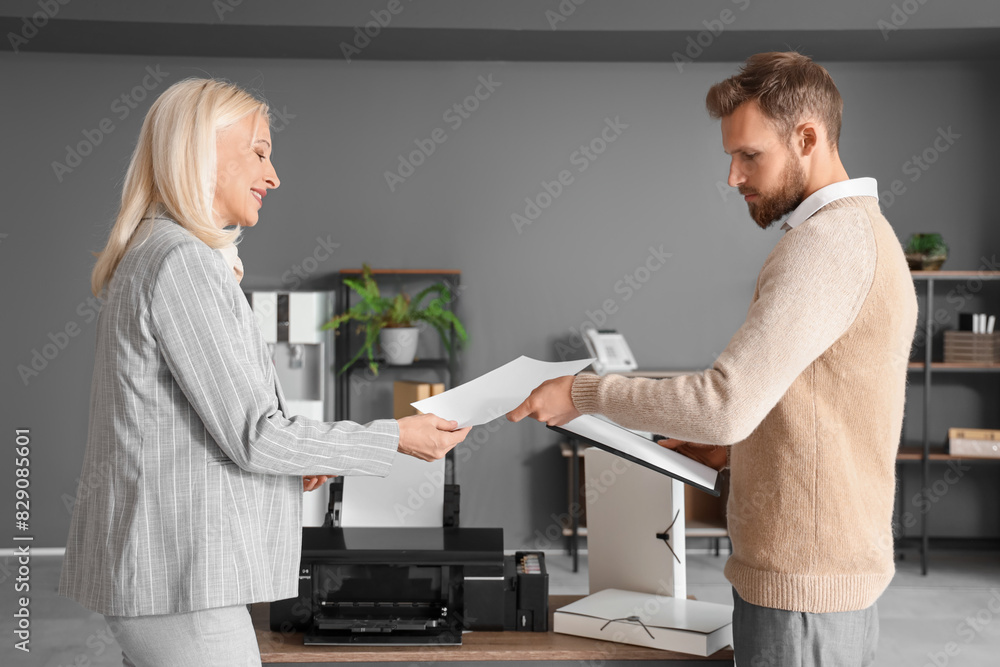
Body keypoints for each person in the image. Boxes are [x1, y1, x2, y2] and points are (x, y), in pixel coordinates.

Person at [508, 52, 919, 666]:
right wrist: (735, 454)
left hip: (802, 592)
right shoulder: (854, 234)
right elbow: (825, 404)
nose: (733, 176)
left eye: (749, 155)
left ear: (807, 138)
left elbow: (723, 402)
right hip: (812, 584)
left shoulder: (827, 245)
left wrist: (582, 392)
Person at [58, 78, 470, 667]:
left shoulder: (155, 252)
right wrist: (397, 437)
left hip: (162, 574)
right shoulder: (182, 263)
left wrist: (313, 457)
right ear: (198, 151)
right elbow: (258, 435)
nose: (273, 175)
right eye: (258, 150)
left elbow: (193, 432)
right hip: (181, 581)